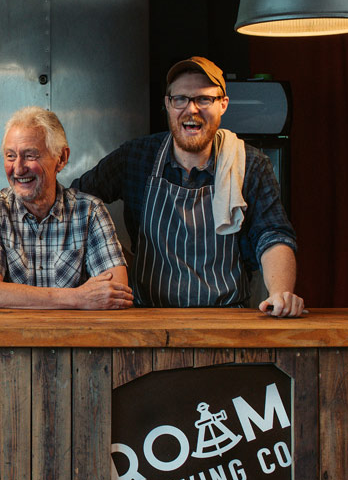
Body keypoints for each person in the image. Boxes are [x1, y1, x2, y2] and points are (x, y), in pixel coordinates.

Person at [73, 56, 304, 316]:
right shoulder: (136, 157)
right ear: (168, 104)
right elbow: (75, 203)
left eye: (204, 99)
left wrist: (281, 293)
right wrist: (114, 259)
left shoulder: (249, 164)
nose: (191, 109)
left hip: (227, 318)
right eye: (180, 99)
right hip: (147, 318)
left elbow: (272, 235)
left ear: (223, 105)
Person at [0, 106, 133, 309]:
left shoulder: (90, 211)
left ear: (61, 158)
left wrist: (14, 295)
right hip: (11, 339)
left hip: (78, 338)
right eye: (10, 156)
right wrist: (78, 298)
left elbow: (116, 292)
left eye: (30, 155)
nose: (18, 168)